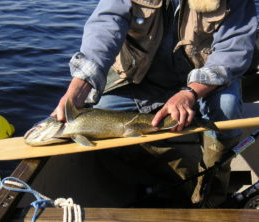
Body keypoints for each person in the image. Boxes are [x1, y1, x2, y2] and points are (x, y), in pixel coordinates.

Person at [52, 0, 258, 207]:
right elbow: (105, 27)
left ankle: (210, 193)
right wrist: (80, 85)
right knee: (96, 115)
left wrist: (190, 93)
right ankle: (167, 177)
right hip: (140, 79)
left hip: (205, 82)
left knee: (227, 108)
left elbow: (233, 49)